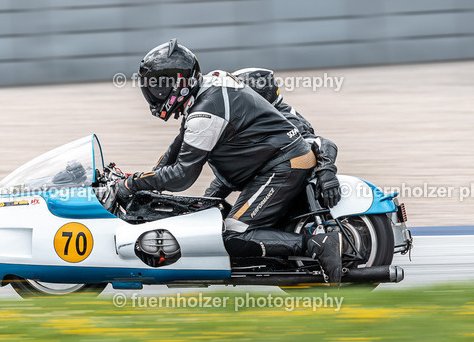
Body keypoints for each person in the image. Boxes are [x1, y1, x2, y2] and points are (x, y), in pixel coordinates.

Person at [111, 40, 341, 283]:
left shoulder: (205, 112)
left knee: (231, 236)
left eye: (158, 86)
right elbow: (177, 147)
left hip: (281, 164)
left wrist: (133, 184)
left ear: (179, 83)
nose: (153, 93)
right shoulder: (205, 88)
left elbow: (182, 176)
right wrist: (144, 180)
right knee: (205, 218)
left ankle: (318, 245)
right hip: (258, 169)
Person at [205, 68, 341, 211]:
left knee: (239, 227)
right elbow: (245, 165)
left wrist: (327, 175)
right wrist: (208, 199)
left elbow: (322, 143)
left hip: (292, 186)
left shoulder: (284, 120)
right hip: (274, 182)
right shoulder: (258, 121)